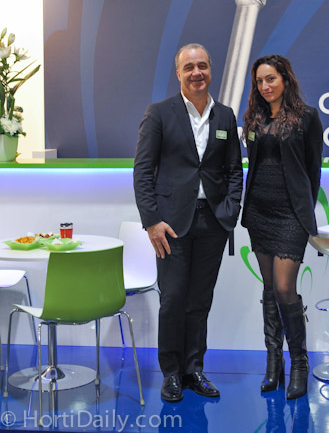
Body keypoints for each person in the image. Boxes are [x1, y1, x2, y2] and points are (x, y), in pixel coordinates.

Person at [133, 43, 243, 402]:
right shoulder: (159, 113)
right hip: (170, 224)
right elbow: (143, 171)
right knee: (173, 299)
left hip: (212, 222)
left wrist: (230, 212)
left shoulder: (225, 116)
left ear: (211, 69)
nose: (197, 73)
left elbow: (233, 170)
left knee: (199, 301)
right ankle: (171, 373)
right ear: (178, 73)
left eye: (203, 66)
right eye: (189, 67)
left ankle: (194, 369)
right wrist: (152, 221)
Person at [242, 54, 323, 400]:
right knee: (269, 287)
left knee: (285, 287)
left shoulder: (307, 117)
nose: (265, 86)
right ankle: (273, 362)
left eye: (271, 79)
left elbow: (313, 170)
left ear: (285, 79)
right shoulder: (254, 118)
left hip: (291, 215)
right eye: (260, 81)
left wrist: (303, 209)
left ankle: (299, 363)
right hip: (259, 211)